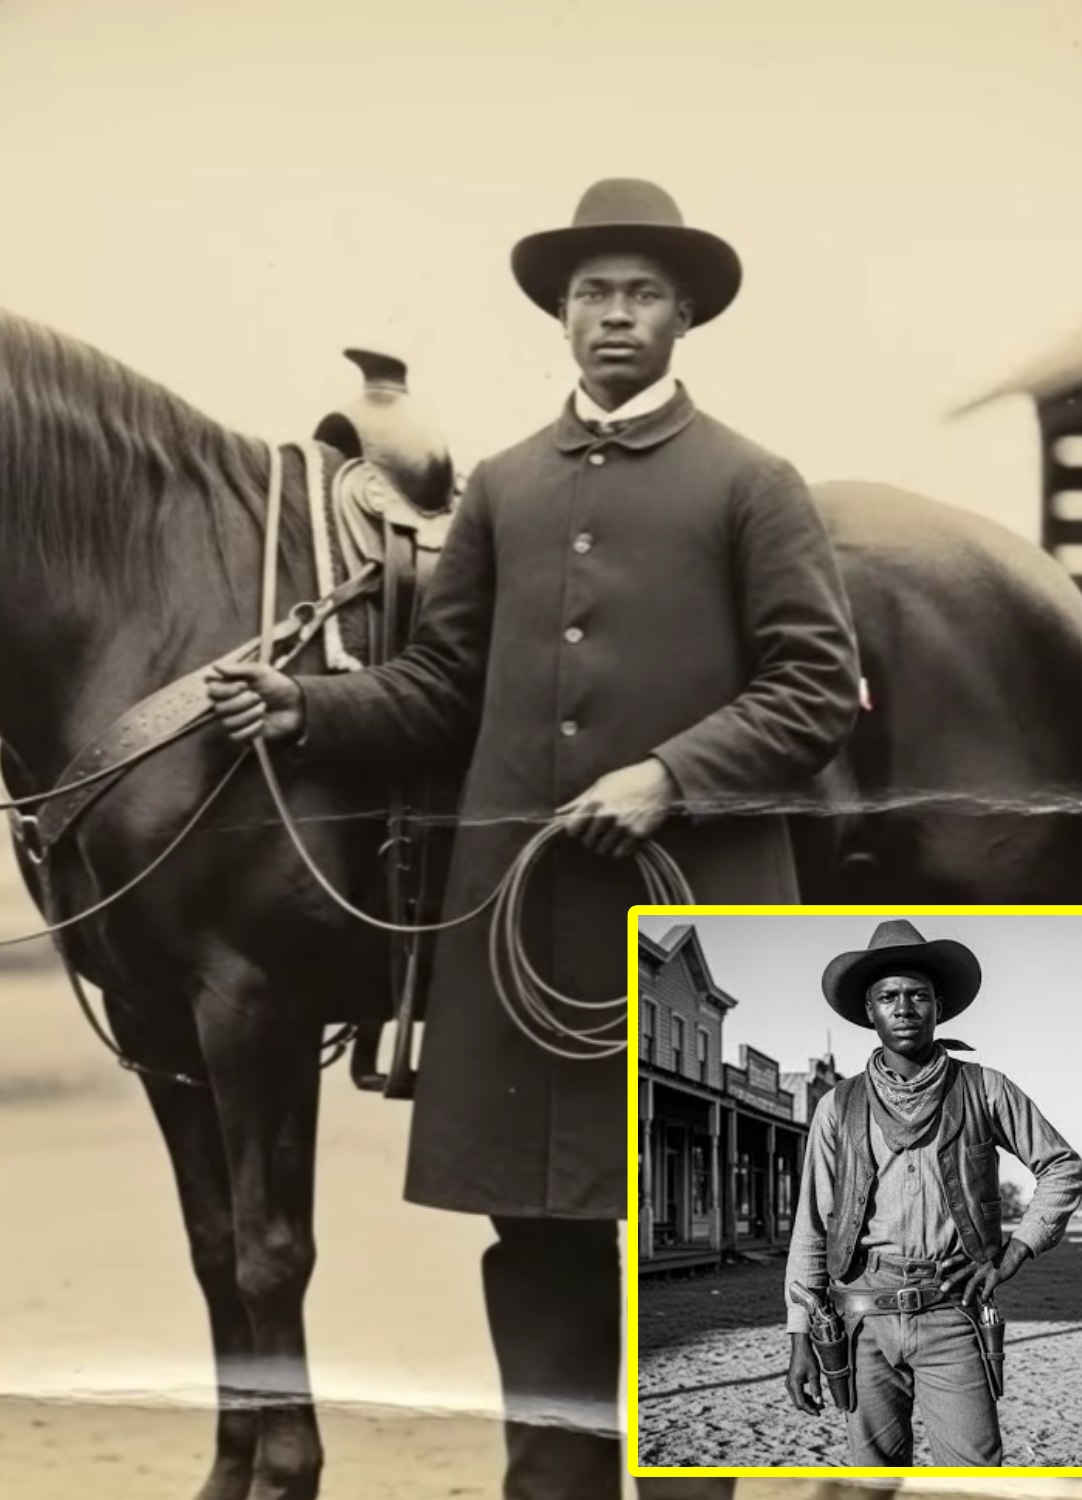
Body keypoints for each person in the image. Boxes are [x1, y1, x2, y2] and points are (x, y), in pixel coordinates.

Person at [209, 177, 862, 1500]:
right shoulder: (505, 487)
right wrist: (304, 706)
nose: (611, 315)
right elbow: (439, 695)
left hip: (692, 925)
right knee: (540, 1237)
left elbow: (813, 692)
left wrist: (670, 778)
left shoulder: (752, 485)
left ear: (683, 314)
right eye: (589, 295)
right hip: (528, 936)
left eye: (637, 293)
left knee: (694, 1235)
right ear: (563, 318)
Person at [784, 919, 1082, 1467]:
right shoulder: (837, 1105)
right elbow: (812, 1224)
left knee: (974, 1468)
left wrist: (1015, 1253)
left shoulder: (984, 1087)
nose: (904, 1008)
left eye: (918, 995)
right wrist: (800, 1335)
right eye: (888, 997)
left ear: (938, 1007)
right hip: (861, 1317)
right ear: (869, 1012)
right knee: (874, 1473)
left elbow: (1062, 1166)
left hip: (952, 1309)